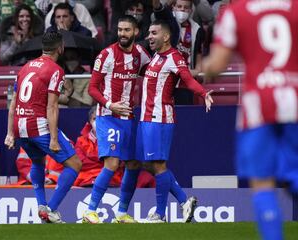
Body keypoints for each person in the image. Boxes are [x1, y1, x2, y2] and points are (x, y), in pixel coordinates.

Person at [203, 0, 298, 239]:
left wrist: (204, 66)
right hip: (295, 97)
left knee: (263, 183)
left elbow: (217, 64)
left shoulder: (237, 11)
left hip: (259, 104)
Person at [137, 20, 213, 223]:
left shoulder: (174, 57)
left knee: (159, 165)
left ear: (166, 36)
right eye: (148, 32)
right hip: (146, 117)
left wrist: (203, 93)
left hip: (159, 118)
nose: (149, 36)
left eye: (154, 32)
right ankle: (183, 200)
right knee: (145, 163)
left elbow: (188, 79)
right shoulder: (156, 57)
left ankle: (160, 214)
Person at [4, 31, 82, 223]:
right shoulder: (55, 70)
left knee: (38, 162)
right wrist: (54, 139)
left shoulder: (25, 68)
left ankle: (41, 205)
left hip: (19, 126)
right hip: (38, 126)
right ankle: (51, 210)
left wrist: (9, 133)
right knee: (74, 164)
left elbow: (14, 102)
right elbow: (52, 106)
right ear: (60, 48)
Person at [82, 15, 151, 224]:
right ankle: (90, 211)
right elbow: (92, 88)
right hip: (108, 116)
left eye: (127, 30)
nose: (122, 33)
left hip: (129, 117)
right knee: (111, 163)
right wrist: (109, 104)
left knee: (133, 164)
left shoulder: (140, 54)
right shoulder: (106, 55)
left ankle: (121, 213)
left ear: (136, 32)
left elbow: (152, 74)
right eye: (120, 29)